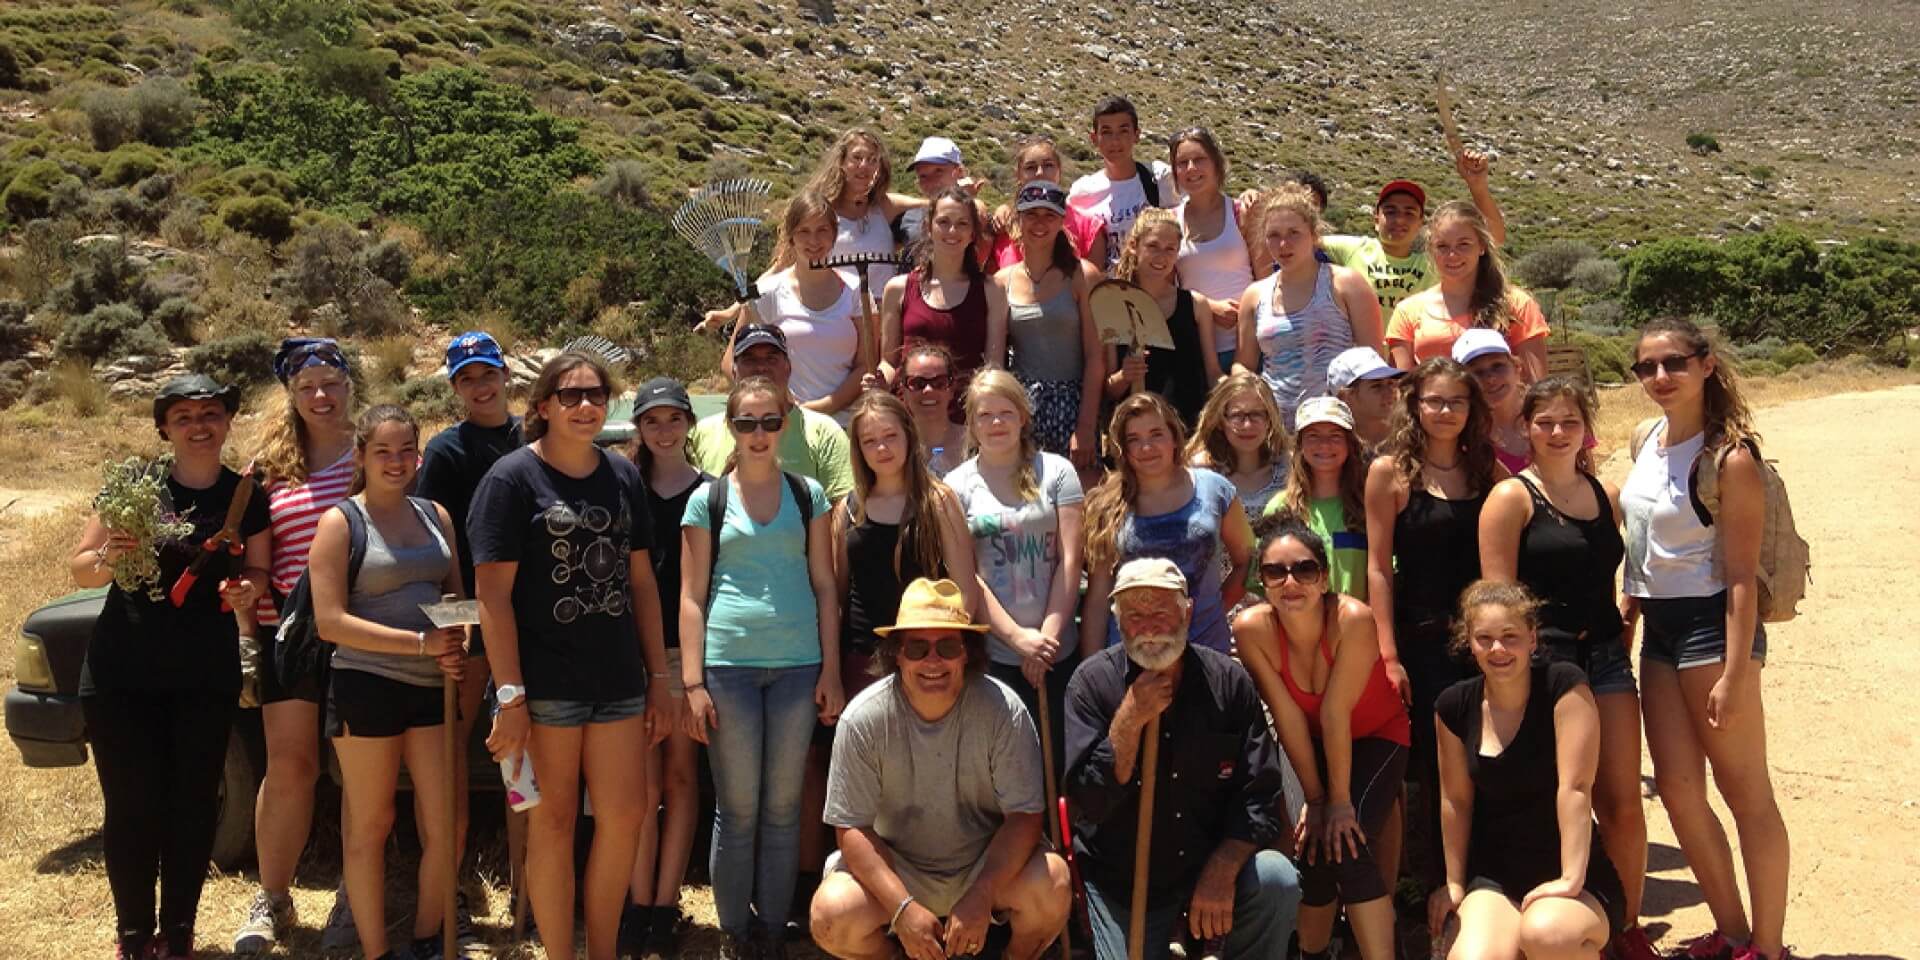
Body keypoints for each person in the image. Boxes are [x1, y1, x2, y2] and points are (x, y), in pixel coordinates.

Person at [470, 351, 675, 960]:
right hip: (545, 685)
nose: (585, 406)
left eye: (595, 395)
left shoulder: (622, 475)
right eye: (570, 395)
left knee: (625, 816)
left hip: (617, 680)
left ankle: (603, 951)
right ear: (542, 407)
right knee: (553, 824)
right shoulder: (510, 481)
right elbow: (492, 599)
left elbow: (641, 583)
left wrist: (659, 679)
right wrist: (510, 695)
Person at [72, 375, 270, 960]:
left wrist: (246, 592)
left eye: (210, 412)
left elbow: (257, 573)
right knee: (132, 807)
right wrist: (111, 555)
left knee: (191, 807)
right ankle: (134, 937)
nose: (199, 425)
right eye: (184, 416)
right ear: (164, 427)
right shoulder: (135, 487)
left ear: (227, 422)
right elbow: (81, 567)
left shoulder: (245, 496)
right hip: (120, 675)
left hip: (204, 675)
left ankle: (178, 933)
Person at [1620, 319, 1791, 960]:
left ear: (1706, 365)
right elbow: (1644, 545)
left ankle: (1767, 948)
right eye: (1646, 367)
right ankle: (1732, 931)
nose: (1659, 377)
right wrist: (1630, 606)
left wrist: (1736, 673)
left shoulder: (1731, 457)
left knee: (1746, 792)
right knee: (1679, 790)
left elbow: (1743, 576)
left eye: (1674, 363)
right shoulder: (1645, 438)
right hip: (1660, 630)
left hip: (1711, 629)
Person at [1479, 376, 1659, 960]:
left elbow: (1624, 571)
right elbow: (1497, 599)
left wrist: (1626, 620)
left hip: (1606, 658)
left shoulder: (1604, 493)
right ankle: (1549, 913)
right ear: (1526, 428)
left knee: (1623, 802)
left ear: (1587, 429)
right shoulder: (1512, 499)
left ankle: (1626, 927)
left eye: (1570, 423)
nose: (1558, 433)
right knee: (1561, 794)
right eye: (1545, 422)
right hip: (1547, 667)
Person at [810, 578, 1071, 960]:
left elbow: (1025, 817)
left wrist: (981, 893)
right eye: (917, 647)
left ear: (967, 653)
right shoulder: (862, 719)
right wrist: (902, 908)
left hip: (986, 866)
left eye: (947, 646)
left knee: (1054, 884)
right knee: (830, 915)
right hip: (899, 867)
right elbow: (851, 828)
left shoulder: (1004, 710)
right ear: (896, 654)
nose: (933, 661)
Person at [1065, 558, 1303, 960]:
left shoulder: (1227, 682)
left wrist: (1223, 868)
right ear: (1117, 620)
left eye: (1161, 611)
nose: (1150, 627)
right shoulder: (1091, 685)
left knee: (1276, 880)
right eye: (1135, 615)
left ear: (1188, 611)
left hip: (1209, 868)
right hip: (1125, 883)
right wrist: (1130, 718)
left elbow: (1258, 795)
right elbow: (1088, 803)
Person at [680, 376, 843, 958]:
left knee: (782, 810)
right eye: (745, 422)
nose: (757, 433)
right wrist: (693, 682)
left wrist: (830, 672)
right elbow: (692, 596)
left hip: (799, 667)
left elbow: (826, 586)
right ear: (731, 427)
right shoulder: (708, 500)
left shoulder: (808, 496)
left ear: (785, 425)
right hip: (729, 668)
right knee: (738, 809)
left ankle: (772, 931)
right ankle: (733, 934)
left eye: (768, 421)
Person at [310, 405, 466, 960]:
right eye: (383, 452)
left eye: (406, 451)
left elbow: (455, 599)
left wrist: (457, 639)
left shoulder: (436, 516)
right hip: (366, 685)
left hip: (432, 688)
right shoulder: (339, 523)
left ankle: (426, 939)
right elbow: (330, 621)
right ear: (361, 457)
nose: (396, 462)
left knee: (444, 822)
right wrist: (420, 644)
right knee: (371, 824)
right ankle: (375, 951)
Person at [1233, 523, 1410, 960]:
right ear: (1262, 581)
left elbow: (1335, 713)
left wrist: (1339, 802)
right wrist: (1314, 799)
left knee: (1346, 844)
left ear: (1325, 578)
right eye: (1275, 572)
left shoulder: (1352, 618)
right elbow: (1288, 715)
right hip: (1312, 742)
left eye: (1304, 569)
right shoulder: (1251, 628)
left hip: (1376, 734)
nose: (1290, 582)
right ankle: (1312, 953)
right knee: (1312, 850)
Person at [236, 337, 360, 954]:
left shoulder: (371, 456)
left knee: (362, 774)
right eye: (307, 385)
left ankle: (351, 897)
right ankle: (274, 898)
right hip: (288, 630)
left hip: (360, 627)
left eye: (331, 382)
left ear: (349, 386)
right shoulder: (267, 470)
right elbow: (259, 556)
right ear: (290, 393)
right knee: (291, 768)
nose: (321, 395)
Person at [1363, 358, 1505, 889]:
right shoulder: (1391, 472)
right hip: (1419, 639)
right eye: (1435, 401)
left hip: (1482, 640)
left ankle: (1490, 878)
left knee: (1485, 758)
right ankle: (1436, 889)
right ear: (1415, 406)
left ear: (1473, 410)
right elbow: (1378, 568)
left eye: (1457, 402)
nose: (1446, 412)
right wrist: (1387, 653)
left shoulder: (1487, 469)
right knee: (1431, 770)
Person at [1430, 581, 1626, 960]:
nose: (1498, 649)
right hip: (1497, 876)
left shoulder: (1563, 686)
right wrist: (1454, 883)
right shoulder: (1453, 706)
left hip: (1573, 872)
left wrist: (1570, 879)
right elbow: (1455, 801)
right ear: (1468, 643)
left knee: (1547, 934)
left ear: (1532, 638)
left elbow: (1576, 788)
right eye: (1484, 638)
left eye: (1510, 636)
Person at [413, 330, 523, 947]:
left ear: (505, 375)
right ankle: (449, 879)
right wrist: (457, 613)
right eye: (466, 379)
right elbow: (440, 533)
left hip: (528, 612)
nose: (480, 386)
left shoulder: (531, 435)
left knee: (519, 748)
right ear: (455, 387)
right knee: (455, 749)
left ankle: (525, 877)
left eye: (487, 373)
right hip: (472, 615)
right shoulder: (447, 450)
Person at [945, 368, 1085, 769]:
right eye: (985, 415)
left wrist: (1045, 640)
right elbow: (967, 574)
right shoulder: (956, 486)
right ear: (971, 423)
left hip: (1057, 649)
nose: (995, 423)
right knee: (1008, 769)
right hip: (997, 654)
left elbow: (1070, 560)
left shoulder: (1058, 472)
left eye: (1005, 413)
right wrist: (1019, 640)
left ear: (1023, 416)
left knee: (1059, 765)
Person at [619, 377, 712, 958]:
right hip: (629, 652)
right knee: (640, 785)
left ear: (687, 422)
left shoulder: (711, 492)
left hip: (685, 653)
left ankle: (664, 903)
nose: (663, 430)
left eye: (672, 419)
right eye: (651, 421)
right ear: (639, 428)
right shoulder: (623, 485)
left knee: (680, 779)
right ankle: (635, 900)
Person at [1081, 393, 1253, 656]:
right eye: (1133, 440)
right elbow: (1098, 598)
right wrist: (1092, 669)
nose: (1146, 448)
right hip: (1133, 652)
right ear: (1123, 450)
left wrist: (1213, 608)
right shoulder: (1107, 504)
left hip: (1204, 646)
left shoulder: (1214, 489)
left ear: (1174, 437)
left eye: (1156, 434)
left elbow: (1248, 561)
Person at [1233, 185, 1383, 429]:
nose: (1283, 244)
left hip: (1335, 427)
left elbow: (1372, 360)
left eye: (1294, 233)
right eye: (1274, 235)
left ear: (1314, 235)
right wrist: (1247, 394)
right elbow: (1244, 363)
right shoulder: (1254, 295)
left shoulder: (1346, 285)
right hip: (1275, 428)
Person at [719, 192, 867, 421]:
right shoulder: (767, 293)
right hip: (785, 425)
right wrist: (773, 403)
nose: (814, 241)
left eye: (822, 230)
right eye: (804, 231)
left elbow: (865, 364)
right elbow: (730, 364)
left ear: (834, 235)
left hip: (845, 424)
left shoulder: (855, 288)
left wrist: (824, 407)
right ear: (791, 238)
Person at [993, 180, 1105, 468]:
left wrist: (1085, 427)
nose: (1039, 223)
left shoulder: (1084, 275)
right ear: (1018, 218)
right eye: (1031, 214)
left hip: (1074, 404)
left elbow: (1095, 357)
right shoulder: (1001, 282)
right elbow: (995, 362)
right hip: (1022, 407)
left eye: (1049, 216)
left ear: (1062, 221)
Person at [1319, 153, 1508, 315]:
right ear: (1376, 219)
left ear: (1420, 223)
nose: (1399, 220)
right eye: (1390, 212)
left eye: (1409, 213)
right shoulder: (1353, 249)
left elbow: (1494, 238)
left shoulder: (1432, 263)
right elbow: (1300, 240)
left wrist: (1478, 186)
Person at [689, 322, 855, 502]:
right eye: (750, 360)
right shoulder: (702, 433)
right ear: (734, 371)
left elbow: (843, 504)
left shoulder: (824, 432)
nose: (761, 368)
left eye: (771, 359)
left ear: (788, 368)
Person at [1386, 201, 1548, 379]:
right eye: (1442, 246)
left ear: (1482, 247)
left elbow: (1535, 386)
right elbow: (1402, 390)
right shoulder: (1407, 311)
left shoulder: (1517, 304)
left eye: (1463, 244)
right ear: (1431, 250)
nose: (1452, 255)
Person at [878, 186, 1007, 396]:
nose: (952, 231)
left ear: (973, 233)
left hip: (965, 416)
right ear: (928, 227)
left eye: (962, 224)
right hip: (911, 413)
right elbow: (889, 363)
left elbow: (993, 367)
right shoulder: (897, 289)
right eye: (943, 222)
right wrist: (879, 378)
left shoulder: (992, 290)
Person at [1105, 207, 1221, 424]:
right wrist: (1124, 375)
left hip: (1188, 429)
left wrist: (1237, 390)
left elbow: (1212, 373)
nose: (1162, 256)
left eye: (1170, 249)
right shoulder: (1113, 307)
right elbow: (1109, 389)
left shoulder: (1196, 305)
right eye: (1153, 246)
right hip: (1136, 433)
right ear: (1133, 246)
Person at [1170, 127, 1263, 369]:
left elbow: (1266, 281)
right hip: (1196, 349)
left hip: (1250, 348)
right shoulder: (1170, 222)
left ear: (1216, 163)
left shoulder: (1242, 213)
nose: (1191, 168)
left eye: (1199, 159)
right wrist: (1209, 307)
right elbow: (1163, 288)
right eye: (1182, 162)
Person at [1266, 398, 1371, 601]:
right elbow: (1263, 584)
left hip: (1356, 627)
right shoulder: (1280, 508)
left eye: (1335, 436)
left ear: (1350, 445)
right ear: (1299, 445)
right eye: (1313, 436)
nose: (1324, 445)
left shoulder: (1368, 507)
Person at [803, 127, 926, 292]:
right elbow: (786, 265)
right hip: (837, 313)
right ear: (842, 162)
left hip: (884, 312)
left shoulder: (886, 206)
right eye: (857, 157)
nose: (864, 166)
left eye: (872, 160)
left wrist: (961, 194)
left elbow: (937, 204)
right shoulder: (820, 211)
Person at [1068, 95, 1176, 271]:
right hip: (1105, 294)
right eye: (1107, 132)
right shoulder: (1082, 192)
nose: (1115, 141)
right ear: (1094, 139)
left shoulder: (1159, 178)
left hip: (1153, 293)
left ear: (1136, 135)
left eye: (1123, 131)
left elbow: (1197, 212)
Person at [1186, 372, 1291, 525]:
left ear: (1269, 420)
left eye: (1256, 414)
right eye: (1237, 416)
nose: (1247, 425)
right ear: (1221, 421)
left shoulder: (1290, 469)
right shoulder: (1199, 473)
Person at [992, 135, 1106, 270]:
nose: (1040, 173)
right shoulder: (1003, 224)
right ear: (1018, 175)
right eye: (1030, 167)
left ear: (1059, 171)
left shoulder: (1088, 227)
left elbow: (1095, 287)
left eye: (1048, 165)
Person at [897, 136, 990, 260]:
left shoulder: (976, 213)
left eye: (938, 171)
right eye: (923, 176)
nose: (931, 181)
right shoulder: (907, 216)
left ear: (959, 172)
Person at [1453, 330, 1533, 473]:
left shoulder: (1552, 417)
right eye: (1478, 372)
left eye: (1498, 366)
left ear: (1517, 368)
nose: (1490, 379)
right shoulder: (1464, 438)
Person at [895, 342, 969, 476]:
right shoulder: (892, 447)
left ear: (952, 388)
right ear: (903, 390)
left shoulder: (976, 442)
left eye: (939, 382)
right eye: (917, 383)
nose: (928, 390)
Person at [1325, 346, 1404, 452]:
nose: (1389, 391)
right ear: (1346, 396)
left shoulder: (1412, 436)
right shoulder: (1328, 449)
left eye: (1391, 383)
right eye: (1376, 386)